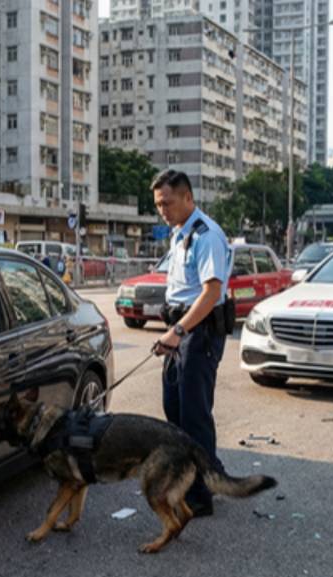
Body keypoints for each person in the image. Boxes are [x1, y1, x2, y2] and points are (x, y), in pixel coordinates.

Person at [150, 169, 232, 517]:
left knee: (194, 416)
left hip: (199, 334)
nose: (162, 210)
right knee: (175, 410)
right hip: (183, 330)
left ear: (187, 198)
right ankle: (210, 473)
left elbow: (212, 292)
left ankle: (200, 496)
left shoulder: (205, 235)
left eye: (167, 203)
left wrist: (178, 332)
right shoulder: (179, 233)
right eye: (157, 205)